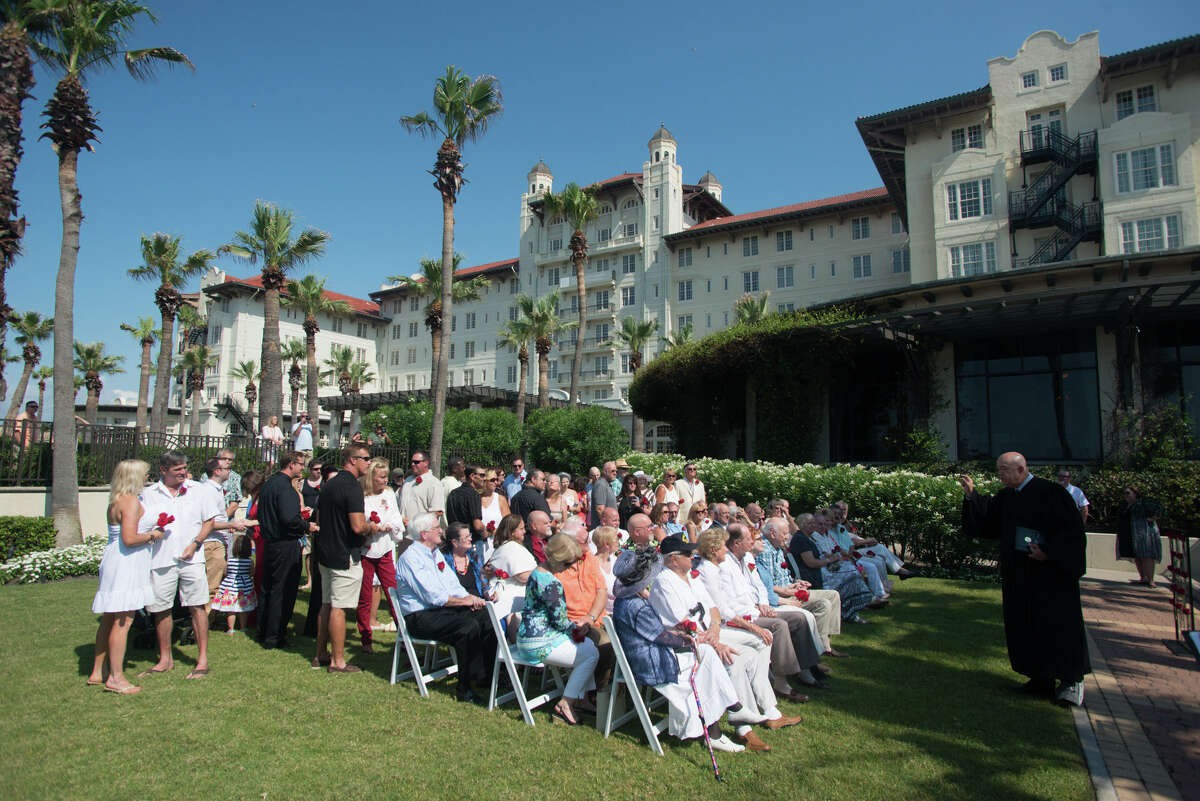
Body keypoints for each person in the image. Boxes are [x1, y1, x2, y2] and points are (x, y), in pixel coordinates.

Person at [959, 451, 1090, 706]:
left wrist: (1049, 553)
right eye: (999, 470)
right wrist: (971, 496)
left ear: (1021, 469)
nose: (1000, 475)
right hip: (1020, 577)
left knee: (1058, 626)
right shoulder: (1007, 497)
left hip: (1051, 578)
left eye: (1004, 470)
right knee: (1026, 626)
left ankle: (1071, 681)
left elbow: (1071, 533)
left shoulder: (1052, 493)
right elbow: (987, 523)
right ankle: (1039, 678)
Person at [649, 534, 801, 752]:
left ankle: (766, 709)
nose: (693, 556)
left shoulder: (689, 576)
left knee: (761, 642)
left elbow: (713, 608)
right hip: (688, 642)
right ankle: (743, 725)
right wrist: (714, 642)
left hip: (710, 633)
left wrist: (715, 631)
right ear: (673, 559)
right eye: (687, 554)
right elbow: (682, 623)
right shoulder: (665, 582)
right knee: (737, 658)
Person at [610, 546, 746, 752]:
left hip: (647, 653)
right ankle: (725, 713)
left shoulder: (629, 601)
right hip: (650, 663)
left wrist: (683, 638)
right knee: (704, 658)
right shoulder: (636, 607)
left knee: (705, 656)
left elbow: (656, 634)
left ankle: (723, 714)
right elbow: (660, 636)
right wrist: (686, 640)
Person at [696, 525, 827, 700]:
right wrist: (753, 614)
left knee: (799, 618)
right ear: (737, 544)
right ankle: (781, 683)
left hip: (755, 609)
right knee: (779, 625)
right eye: (749, 538)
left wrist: (763, 604)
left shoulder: (747, 558)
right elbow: (726, 604)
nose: (753, 541)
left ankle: (806, 669)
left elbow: (759, 586)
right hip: (741, 616)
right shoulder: (722, 566)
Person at [394, 512, 498, 704]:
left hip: (438, 611)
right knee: (467, 626)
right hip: (420, 616)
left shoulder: (434, 555)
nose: (441, 530)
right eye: (437, 528)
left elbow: (452, 585)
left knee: (486, 617)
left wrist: (471, 598)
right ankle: (465, 687)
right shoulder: (411, 558)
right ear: (424, 534)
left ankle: (487, 676)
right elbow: (433, 597)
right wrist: (465, 602)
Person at [138, 451, 223, 680]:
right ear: (163, 471)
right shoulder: (149, 495)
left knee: (197, 606)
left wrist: (196, 543)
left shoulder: (198, 490)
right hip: (161, 559)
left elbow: (209, 521)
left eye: (185, 468)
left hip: (192, 559)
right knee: (161, 609)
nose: (184, 473)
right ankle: (165, 659)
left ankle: (202, 659)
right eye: (178, 471)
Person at [88, 459, 166, 694]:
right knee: (124, 621)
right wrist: (153, 535)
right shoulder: (130, 502)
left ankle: (97, 671)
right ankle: (116, 677)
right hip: (126, 562)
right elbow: (130, 538)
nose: (147, 478)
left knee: (109, 618)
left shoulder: (115, 500)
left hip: (115, 559)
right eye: (144, 475)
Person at [514, 533, 601, 725]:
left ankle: (578, 699)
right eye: (568, 563)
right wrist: (580, 627)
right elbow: (560, 622)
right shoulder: (551, 584)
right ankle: (568, 702)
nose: (570, 567)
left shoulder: (536, 573)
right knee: (591, 653)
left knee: (587, 647)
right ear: (558, 560)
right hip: (539, 643)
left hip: (526, 636)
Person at [314, 443, 380, 673]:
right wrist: (371, 526)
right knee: (339, 608)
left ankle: (320, 653)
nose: (368, 463)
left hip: (325, 551)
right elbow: (357, 526)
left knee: (326, 604)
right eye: (366, 458)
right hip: (344, 554)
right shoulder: (351, 487)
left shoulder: (329, 485)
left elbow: (320, 517)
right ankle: (337, 660)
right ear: (353, 460)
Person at [758, 518, 846, 657]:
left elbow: (781, 576)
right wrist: (787, 590)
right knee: (823, 604)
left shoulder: (778, 548)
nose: (788, 537)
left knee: (833, 595)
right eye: (785, 533)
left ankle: (825, 643)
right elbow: (765, 585)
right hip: (781, 596)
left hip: (789, 590)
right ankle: (818, 648)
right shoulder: (765, 551)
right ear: (773, 533)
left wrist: (796, 582)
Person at [255, 451, 317, 649]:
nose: (302, 469)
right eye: (300, 464)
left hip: (270, 543)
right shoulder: (285, 489)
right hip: (285, 544)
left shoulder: (268, 485)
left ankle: (263, 630)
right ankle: (275, 635)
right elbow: (289, 519)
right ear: (291, 464)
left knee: (269, 588)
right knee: (283, 590)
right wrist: (307, 526)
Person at [554, 518, 615, 691]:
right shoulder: (555, 566)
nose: (589, 547)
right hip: (572, 624)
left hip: (597, 618)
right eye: (584, 542)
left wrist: (591, 616)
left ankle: (615, 691)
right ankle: (597, 692)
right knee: (605, 643)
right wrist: (582, 621)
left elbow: (602, 591)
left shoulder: (588, 557)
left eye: (588, 541)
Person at [790, 513, 876, 623]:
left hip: (820, 572)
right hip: (814, 577)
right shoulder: (800, 540)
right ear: (802, 525)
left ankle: (850, 612)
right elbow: (811, 563)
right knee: (853, 577)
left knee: (853, 573)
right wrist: (829, 560)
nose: (813, 526)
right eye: (809, 524)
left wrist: (830, 558)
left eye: (813, 523)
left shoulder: (809, 537)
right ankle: (852, 610)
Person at [357, 458, 405, 655]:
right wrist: (372, 527)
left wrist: (391, 527)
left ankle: (403, 636)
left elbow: (395, 516)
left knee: (393, 591)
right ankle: (365, 638)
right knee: (365, 596)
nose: (385, 481)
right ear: (372, 478)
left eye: (386, 477)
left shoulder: (388, 494)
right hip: (367, 550)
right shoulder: (363, 495)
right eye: (382, 477)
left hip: (385, 548)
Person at [196, 456, 250, 615]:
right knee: (212, 586)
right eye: (227, 468)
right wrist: (232, 524)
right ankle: (203, 623)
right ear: (216, 471)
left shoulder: (216, 489)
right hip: (212, 543)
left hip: (218, 540)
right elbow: (208, 522)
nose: (230, 471)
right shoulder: (208, 490)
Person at [485, 514, 537, 624]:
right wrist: (543, 573)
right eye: (521, 529)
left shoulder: (509, 546)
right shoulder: (511, 547)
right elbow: (522, 576)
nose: (525, 532)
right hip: (510, 599)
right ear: (512, 532)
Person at [1116, 486, 1162, 586]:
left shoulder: (1143, 503)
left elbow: (1158, 509)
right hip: (1131, 534)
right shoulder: (1126, 505)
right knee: (1137, 556)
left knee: (1146, 555)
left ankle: (1150, 579)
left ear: (1135, 494)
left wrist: (1153, 518)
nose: (1126, 495)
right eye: (1125, 493)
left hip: (1144, 533)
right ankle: (1143, 577)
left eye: (1128, 493)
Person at [212, 532, 257, 634]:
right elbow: (252, 573)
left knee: (230, 609)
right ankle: (243, 627)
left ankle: (231, 628)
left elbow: (225, 572)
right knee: (243, 609)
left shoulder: (230, 561)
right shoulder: (249, 562)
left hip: (230, 586)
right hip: (245, 587)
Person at [398, 450, 445, 524]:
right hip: (403, 531)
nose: (413, 464)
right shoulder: (408, 480)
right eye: (412, 462)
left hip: (422, 532)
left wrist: (414, 523)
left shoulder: (434, 483)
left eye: (416, 462)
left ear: (426, 463)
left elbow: (437, 512)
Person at [444, 522, 488, 598]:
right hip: (459, 604)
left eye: (470, 535)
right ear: (455, 542)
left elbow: (484, 584)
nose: (470, 539)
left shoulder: (474, 557)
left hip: (479, 602)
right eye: (466, 537)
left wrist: (489, 594)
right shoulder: (446, 562)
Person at [445, 462, 486, 542]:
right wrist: (486, 532)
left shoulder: (453, 493)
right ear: (472, 477)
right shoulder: (474, 495)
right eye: (482, 475)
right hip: (470, 540)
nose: (484, 479)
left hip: (454, 540)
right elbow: (477, 525)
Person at [591, 526, 621, 615]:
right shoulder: (591, 564)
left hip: (619, 612)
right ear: (607, 544)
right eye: (616, 540)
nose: (618, 543)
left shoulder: (617, 561)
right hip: (601, 615)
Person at [479, 468, 510, 545]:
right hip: (479, 543)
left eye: (496, 479)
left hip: (497, 542)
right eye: (492, 480)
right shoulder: (476, 499)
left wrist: (492, 531)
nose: (496, 482)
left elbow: (508, 523)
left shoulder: (500, 499)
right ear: (484, 481)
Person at [590, 462, 618, 528]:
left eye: (616, 471)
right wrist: (607, 526)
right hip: (604, 530)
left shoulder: (606, 484)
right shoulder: (601, 485)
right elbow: (600, 509)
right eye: (612, 471)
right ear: (605, 472)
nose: (615, 473)